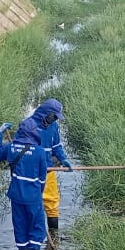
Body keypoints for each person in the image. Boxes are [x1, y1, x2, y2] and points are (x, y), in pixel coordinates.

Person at [0, 115, 49, 250]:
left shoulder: (11, 147)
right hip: (33, 198)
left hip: (16, 196)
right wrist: (38, 193)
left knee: (20, 225)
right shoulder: (40, 152)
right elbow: (43, 178)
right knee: (37, 227)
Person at [35, 98, 73, 231]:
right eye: (54, 116)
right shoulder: (28, 125)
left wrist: (63, 159)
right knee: (31, 204)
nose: (55, 119)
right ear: (47, 114)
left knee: (52, 203)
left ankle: (54, 236)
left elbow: (56, 146)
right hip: (32, 172)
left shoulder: (54, 126)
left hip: (48, 170)